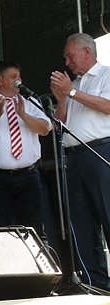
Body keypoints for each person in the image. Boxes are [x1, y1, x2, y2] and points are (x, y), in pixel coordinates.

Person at [50, 32, 110, 290]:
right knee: (82, 223)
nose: (67, 62)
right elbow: (59, 125)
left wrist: (72, 92)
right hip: (73, 158)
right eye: (65, 58)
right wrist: (62, 98)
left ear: (87, 52)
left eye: (70, 56)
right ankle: (97, 284)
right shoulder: (72, 85)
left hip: (101, 152)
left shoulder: (106, 74)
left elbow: (108, 106)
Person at [0, 61, 51, 235]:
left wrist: (23, 114)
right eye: (13, 77)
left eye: (19, 76)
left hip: (29, 175)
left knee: (34, 227)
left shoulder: (30, 102)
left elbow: (44, 129)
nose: (19, 80)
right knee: (3, 229)